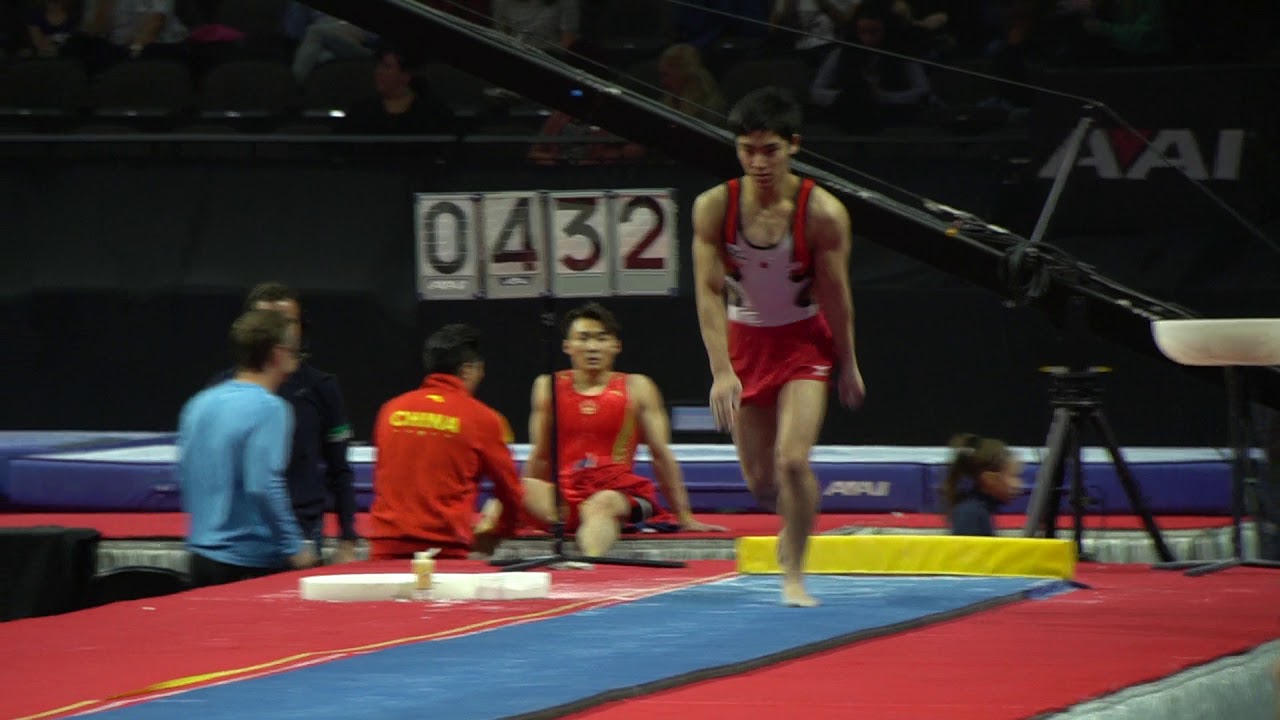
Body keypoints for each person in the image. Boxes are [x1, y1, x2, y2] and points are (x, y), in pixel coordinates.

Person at [691, 86, 865, 607]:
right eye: (748, 149)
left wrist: (848, 364)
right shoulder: (713, 207)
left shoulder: (822, 214)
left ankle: (795, 571)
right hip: (746, 342)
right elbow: (706, 292)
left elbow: (837, 298)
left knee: (792, 461)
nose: (758, 162)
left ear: (795, 146)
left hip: (802, 343)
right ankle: (795, 516)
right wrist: (722, 371)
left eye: (770, 150)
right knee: (762, 484)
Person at [480, 302, 725, 557]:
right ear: (568, 346)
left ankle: (588, 567)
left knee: (600, 505)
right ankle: (473, 564)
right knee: (507, 494)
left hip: (619, 495)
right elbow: (541, 456)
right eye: (583, 338)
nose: (593, 347)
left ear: (615, 346)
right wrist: (522, 508)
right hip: (565, 497)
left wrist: (684, 516)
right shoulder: (547, 387)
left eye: (601, 338)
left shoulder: (638, 387)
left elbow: (660, 455)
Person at [212, 283, 359, 564]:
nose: (280, 332)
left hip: (301, 533)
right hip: (238, 537)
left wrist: (348, 538)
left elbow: (340, 469)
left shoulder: (321, 388)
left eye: (287, 322)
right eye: (266, 323)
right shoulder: (217, 392)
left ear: (301, 328)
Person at [178, 309, 317, 588]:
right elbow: (263, 485)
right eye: (295, 352)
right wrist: (294, 546)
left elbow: (184, 473)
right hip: (247, 563)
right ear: (278, 355)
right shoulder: (270, 408)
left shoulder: (200, 403)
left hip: (200, 556)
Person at [368, 324, 525, 560]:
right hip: (444, 552)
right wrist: (501, 531)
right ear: (468, 369)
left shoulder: (389, 410)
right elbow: (511, 492)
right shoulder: (484, 418)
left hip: (384, 548)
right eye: (481, 369)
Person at [941, 434, 1025, 536]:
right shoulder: (971, 514)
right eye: (1013, 476)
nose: (1018, 484)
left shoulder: (980, 510)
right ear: (990, 479)